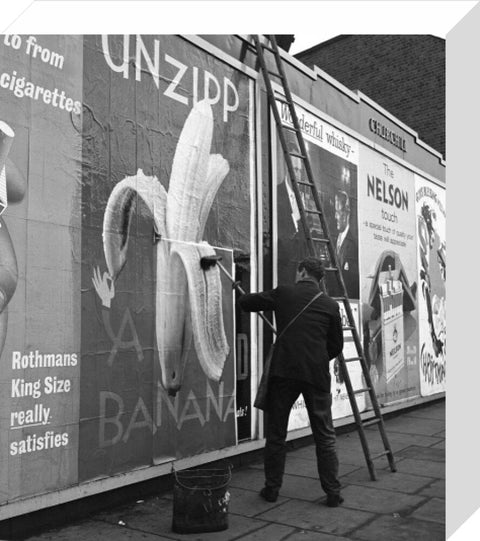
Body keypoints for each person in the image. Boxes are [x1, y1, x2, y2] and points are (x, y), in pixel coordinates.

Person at [239, 257, 344, 507]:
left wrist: (238, 289)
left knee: (276, 434)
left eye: (297, 271)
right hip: (315, 374)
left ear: (302, 272)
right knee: (325, 435)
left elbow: (248, 303)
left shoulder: (284, 293)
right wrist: (315, 356)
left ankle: (272, 489)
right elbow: (336, 346)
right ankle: (332, 492)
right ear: (320, 278)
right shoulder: (330, 305)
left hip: (284, 372)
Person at [333, 190, 359, 299]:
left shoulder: (352, 244)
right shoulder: (335, 238)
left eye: (338, 212)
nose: (335, 216)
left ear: (347, 214)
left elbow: (351, 280)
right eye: (335, 211)